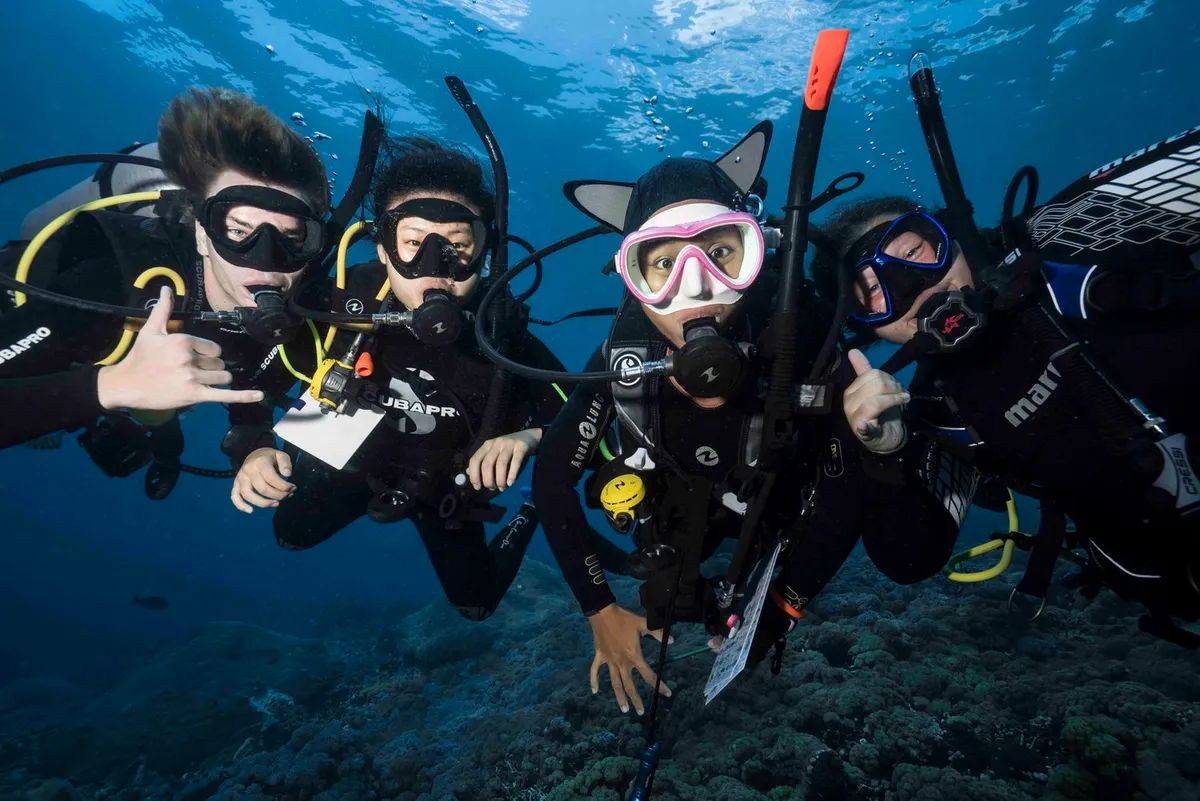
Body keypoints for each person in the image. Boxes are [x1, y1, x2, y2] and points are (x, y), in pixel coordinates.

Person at [531, 124, 967, 716]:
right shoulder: (622, 361)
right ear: (633, 281)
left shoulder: (804, 344)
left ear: (757, 252)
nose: (698, 286)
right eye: (662, 263)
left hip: (779, 512)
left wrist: (783, 606)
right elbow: (553, 480)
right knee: (671, 591)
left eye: (721, 252)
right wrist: (600, 610)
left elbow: (858, 510)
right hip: (683, 506)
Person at [809, 128, 1200, 644]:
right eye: (874, 294)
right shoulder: (938, 411)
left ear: (955, 235)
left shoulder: (1064, 253)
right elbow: (910, 560)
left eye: (915, 253)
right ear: (868, 328)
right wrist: (887, 453)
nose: (914, 292)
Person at [232, 136, 573, 622]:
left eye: (457, 246)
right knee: (290, 534)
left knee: (476, 605)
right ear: (384, 249)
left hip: (446, 484)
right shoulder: (341, 309)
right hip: (346, 461)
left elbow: (584, 413)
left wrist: (529, 436)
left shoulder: (500, 333)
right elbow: (254, 378)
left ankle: (527, 513)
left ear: (485, 253)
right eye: (414, 244)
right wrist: (253, 445)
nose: (436, 270)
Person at [0, 87, 336, 499]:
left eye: (292, 238)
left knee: (160, 411)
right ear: (200, 233)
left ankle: (165, 445)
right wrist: (110, 387)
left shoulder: (301, 312)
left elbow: (253, 385)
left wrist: (254, 449)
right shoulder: (120, 282)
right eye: (238, 232)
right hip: (48, 346)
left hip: (151, 383)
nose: (264, 261)